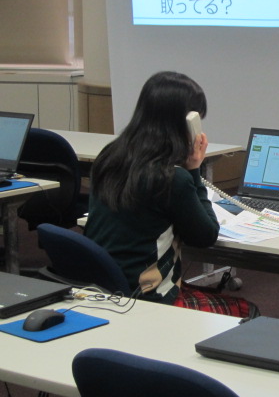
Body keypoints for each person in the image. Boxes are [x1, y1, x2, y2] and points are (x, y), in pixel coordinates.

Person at [85, 71, 257, 317]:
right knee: (247, 312)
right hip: (147, 299)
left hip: (104, 290)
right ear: (186, 123)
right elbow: (206, 236)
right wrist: (194, 170)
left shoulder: (109, 156)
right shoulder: (172, 178)